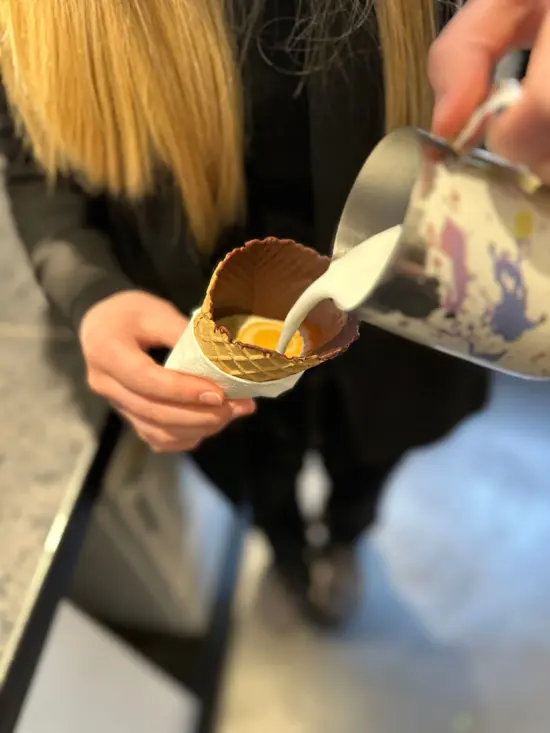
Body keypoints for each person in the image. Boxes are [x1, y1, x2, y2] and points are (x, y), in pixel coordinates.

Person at [0, 0, 538, 629]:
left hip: (402, 318)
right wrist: (93, 294)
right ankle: (286, 552)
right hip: (204, 330)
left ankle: (344, 534)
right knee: (257, 479)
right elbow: (36, 161)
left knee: (368, 459)